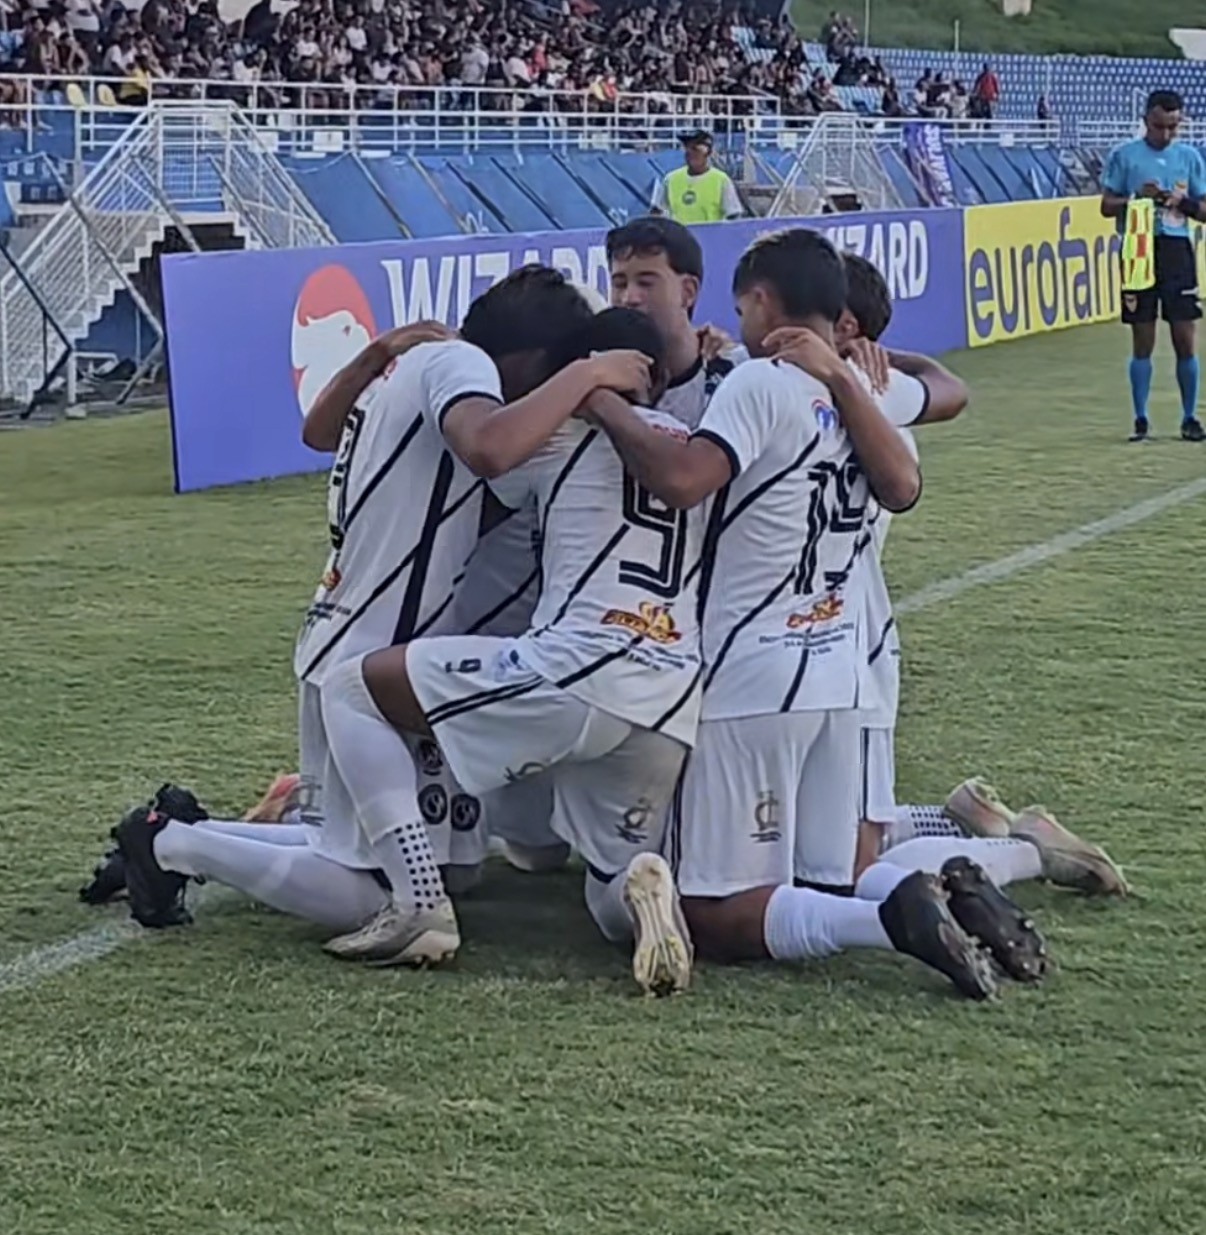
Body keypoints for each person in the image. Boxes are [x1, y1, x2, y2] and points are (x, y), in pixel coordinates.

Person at [110, 270, 652, 942]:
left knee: (449, 869)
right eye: (552, 373)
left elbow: (317, 431)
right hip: (368, 658)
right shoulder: (461, 365)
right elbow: (488, 446)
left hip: (375, 636)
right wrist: (587, 377)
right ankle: (170, 844)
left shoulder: (417, 367)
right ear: (530, 359)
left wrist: (375, 354)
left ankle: (191, 829)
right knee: (379, 895)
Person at [582, 228, 1006, 999]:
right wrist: (866, 365)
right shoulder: (861, 383)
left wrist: (602, 403)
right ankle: (943, 890)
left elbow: (683, 480)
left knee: (704, 904)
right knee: (829, 876)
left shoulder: (760, 383)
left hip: (753, 672)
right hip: (838, 670)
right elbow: (925, 440)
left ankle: (895, 918)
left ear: (761, 300)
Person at [313, 306, 706, 996]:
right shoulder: (694, 448)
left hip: (579, 671)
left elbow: (486, 459)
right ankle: (647, 891)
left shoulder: (558, 438)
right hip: (671, 698)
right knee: (602, 883)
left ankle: (415, 898)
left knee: (351, 687)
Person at [1101, 89, 1206, 443]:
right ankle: (1140, 418)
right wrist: (1136, 199)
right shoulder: (1124, 156)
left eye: (1173, 127)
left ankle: (1190, 417)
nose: (1166, 134)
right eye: (1160, 126)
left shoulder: (1189, 157)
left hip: (1177, 251)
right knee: (1142, 336)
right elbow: (1106, 205)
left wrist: (1183, 202)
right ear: (1146, 120)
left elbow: (1204, 210)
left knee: (1184, 338)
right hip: (1138, 250)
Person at [607, 215, 743, 428]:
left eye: (646, 283)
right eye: (620, 284)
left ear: (688, 292)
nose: (629, 298)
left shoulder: (739, 376)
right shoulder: (598, 385)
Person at [650, 130, 744, 225]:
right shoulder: (671, 179)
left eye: (695, 149)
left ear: (707, 153)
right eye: (687, 149)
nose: (690, 153)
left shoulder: (721, 180)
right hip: (679, 237)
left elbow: (733, 215)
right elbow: (657, 211)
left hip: (709, 238)